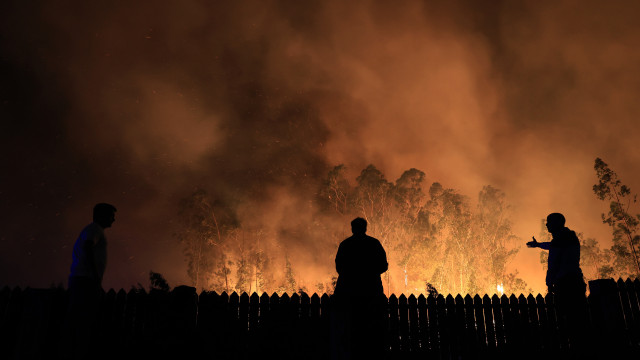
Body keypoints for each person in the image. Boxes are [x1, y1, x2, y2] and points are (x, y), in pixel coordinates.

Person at [527, 212, 588, 355]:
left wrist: (549, 282)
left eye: (549, 222)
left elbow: (554, 262)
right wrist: (538, 244)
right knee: (578, 320)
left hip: (566, 285)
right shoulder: (567, 237)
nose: (547, 225)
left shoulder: (561, 240)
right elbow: (553, 246)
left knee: (569, 321)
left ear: (557, 223)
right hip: (574, 281)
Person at [332, 217, 388, 360]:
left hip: (348, 294)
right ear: (365, 228)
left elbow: (339, 267)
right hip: (371, 293)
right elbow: (383, 265)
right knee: (371, 332)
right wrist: (369, 273)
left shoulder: (345, 245)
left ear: (352, 228)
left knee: (349, 331)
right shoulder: (374, 244)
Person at [66, 203, 116, 359]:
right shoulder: (95, 229)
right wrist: (95, 276)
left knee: (81, 321)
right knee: (84, 321)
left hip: (83, 280)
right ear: (101, 216)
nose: (114, 220)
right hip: (85, 281)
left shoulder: (92, 229)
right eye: (111, 215)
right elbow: (88, 246)